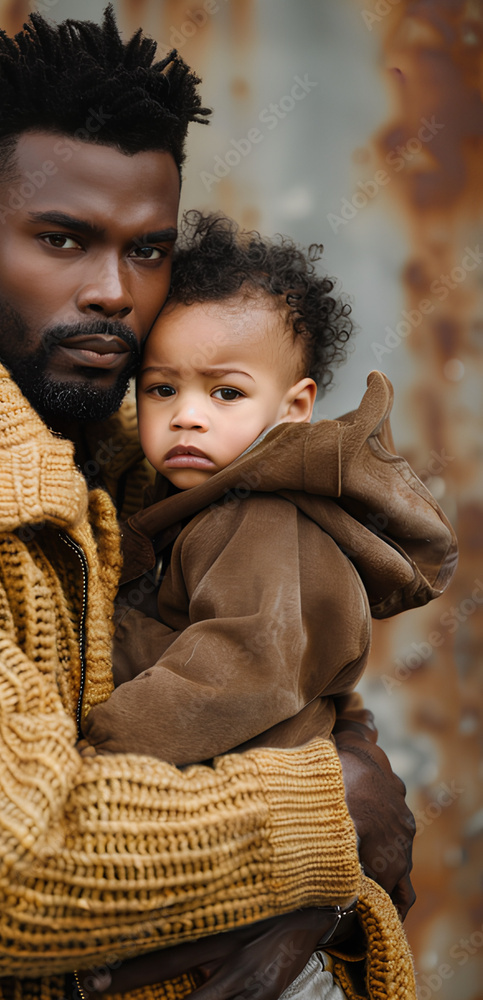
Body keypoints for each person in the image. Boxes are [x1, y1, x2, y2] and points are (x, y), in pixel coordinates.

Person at [0, 9, 426, 1000]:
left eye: (146, 251)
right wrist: (330, 816)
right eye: (62, 240)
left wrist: (325, 857)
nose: (113, 291)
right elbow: (15, 874)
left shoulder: (147, 442)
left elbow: (299, 675)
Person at [78, 213, 457, 998]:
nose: (187, 413)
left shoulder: (256, 516)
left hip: (269, 849)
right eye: (161, 388)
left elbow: (242, 668)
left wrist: (98, 748)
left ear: (294, 407)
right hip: (250, 843)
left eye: (224, 391)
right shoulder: (202, 504)